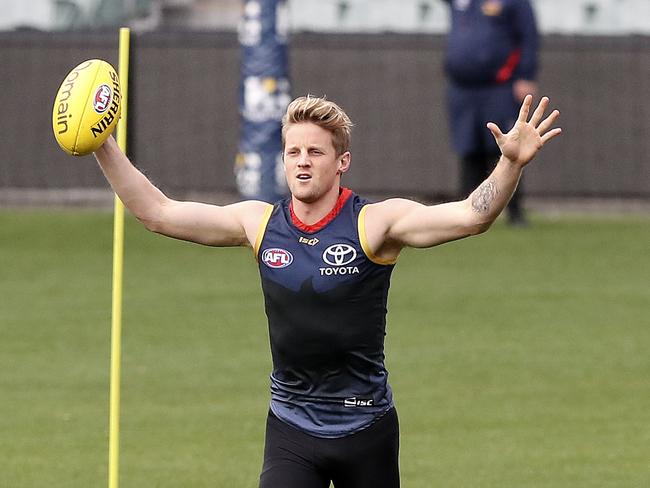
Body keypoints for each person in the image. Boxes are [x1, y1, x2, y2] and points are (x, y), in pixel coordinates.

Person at [93, 94, 560, 487]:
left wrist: (509, 164)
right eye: (293, 151)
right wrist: (102, 143)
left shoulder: (375, 223)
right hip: (291, 427)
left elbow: (471, 217)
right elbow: (158, 213)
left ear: (342, 161)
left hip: (367, 427)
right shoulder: (259, 224)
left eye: (315, 152)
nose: (302, 161)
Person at [442, 0, 540, 226]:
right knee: (468, 148)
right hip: (462, 88)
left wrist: (526, 74)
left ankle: (514, 211)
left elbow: (528, 35)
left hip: (499, 86)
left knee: (505, 148)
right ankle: (467, 210)